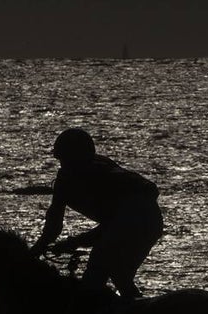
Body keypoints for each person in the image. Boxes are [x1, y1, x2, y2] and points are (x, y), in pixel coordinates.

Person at [30, 128, 163, 299]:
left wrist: (71, 242)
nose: (64, 165)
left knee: (97, 272)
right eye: (61, 160)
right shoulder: (86, 172)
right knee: (120, 274)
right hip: (151, 221)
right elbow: (53, 226)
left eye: (66, 159)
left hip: (139, 220)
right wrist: (39, 249)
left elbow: (113, 226)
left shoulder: (101, 176)